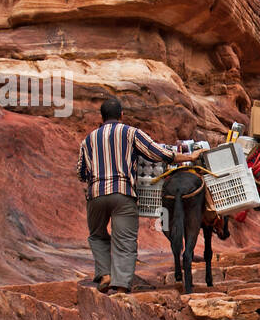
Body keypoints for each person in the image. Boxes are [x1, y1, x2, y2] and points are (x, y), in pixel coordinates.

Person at [77, 96, 201, 294]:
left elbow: (81, 173)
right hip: (123, 193)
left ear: (101, 118)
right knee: (124, 240)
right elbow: (158, 153)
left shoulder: (88, 140)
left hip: (96, 195)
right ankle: (120, 285)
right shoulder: (130, 133)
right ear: (122, 115)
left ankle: (105, 275)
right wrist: (188, 156)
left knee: (97, 235)